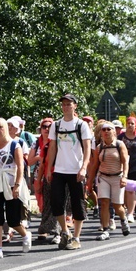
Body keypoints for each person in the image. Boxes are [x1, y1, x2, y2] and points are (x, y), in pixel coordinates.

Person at [0, 118, 32, 259]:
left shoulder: (15, 145)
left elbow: (20, 166)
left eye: (0, 127)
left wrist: (18, 185)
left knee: (13, 219)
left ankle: (25, 235)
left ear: (6, 129)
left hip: (10, 182)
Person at [45, 94, 93, 250]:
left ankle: (77, 238)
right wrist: (48, 168)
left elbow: (87, 148)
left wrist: (84, 167)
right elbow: (52, 148)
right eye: (64, 104)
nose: (66, 107)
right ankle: (65, 231)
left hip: (76, 170)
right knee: (56, 202)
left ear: (75, 106)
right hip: (59, 169)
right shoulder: (56, 125)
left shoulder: (81, 125)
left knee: (78, 204)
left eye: (69, 104)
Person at [87, 121, 130, 240]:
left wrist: (124, 177)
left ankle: (123, 218)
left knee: (117, 206)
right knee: (104, 203)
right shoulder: (99, 147)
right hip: (103, 177)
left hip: (117, 177)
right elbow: (95, 165)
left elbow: (125, 162)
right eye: (103, 130)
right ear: (100, 133)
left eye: (109, 129)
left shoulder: (119, 145)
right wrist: (89, 182)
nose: (106, 132)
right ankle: (105, 230)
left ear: (114, 132)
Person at [119, 117, 136, 222]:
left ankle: (131, 213)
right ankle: (126, 208)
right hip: (122, 166)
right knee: (124, 189)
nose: (130, 125)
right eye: (128, 123)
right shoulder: (120, 137)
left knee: (131, 189)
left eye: (132, 124)